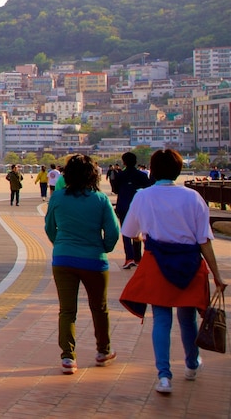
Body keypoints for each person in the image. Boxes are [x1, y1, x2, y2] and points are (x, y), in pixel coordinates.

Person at [119, 149, 227, 394]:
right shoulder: (194, 197)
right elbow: (204, 240)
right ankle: (191, 364)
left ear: (153, 170)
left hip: (157, 262)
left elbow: (129, 232)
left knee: (162, 319)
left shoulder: (143, 196)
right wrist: (217, 275)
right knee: (187, 318)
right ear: (178, 170)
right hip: (189, 263)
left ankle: (164, 377)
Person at [44, 153, 120, 375]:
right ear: (92, 174)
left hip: (63, 259)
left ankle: (68, 357)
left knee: (67, 311)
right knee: (100, 308)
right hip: (94, 260)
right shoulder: (100, 199)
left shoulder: (57, 198)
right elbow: (114, 232)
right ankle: (103, 350)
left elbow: (49, 227)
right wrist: (104, 247)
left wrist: (60, 244)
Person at [111, 151, 154, 269]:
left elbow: (115, 190)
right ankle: (138, 258)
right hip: (139, 206)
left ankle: (129, 258)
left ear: (124, 162)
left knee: (126, 231)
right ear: (135, 162)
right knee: (138, 231)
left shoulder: (120, 175)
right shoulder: (142, 175)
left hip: (123, 205)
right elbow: (148, 189)